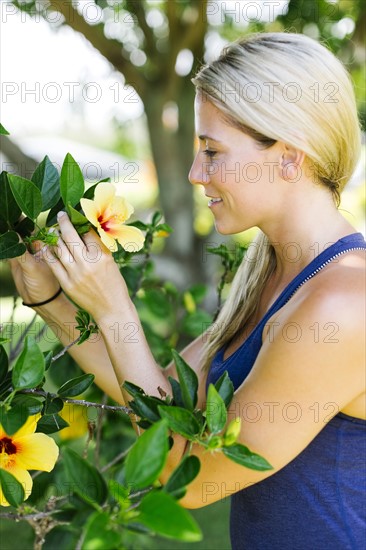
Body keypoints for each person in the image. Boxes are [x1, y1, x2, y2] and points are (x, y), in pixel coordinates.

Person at [10, 32, 365, 549]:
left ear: (289, 157)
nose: (197, 173)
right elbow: (162, 397)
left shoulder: (340, 305)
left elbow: (195, 479)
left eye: (213, 151)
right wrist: (53, 302)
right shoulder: (270, 271)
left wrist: (116, 310)